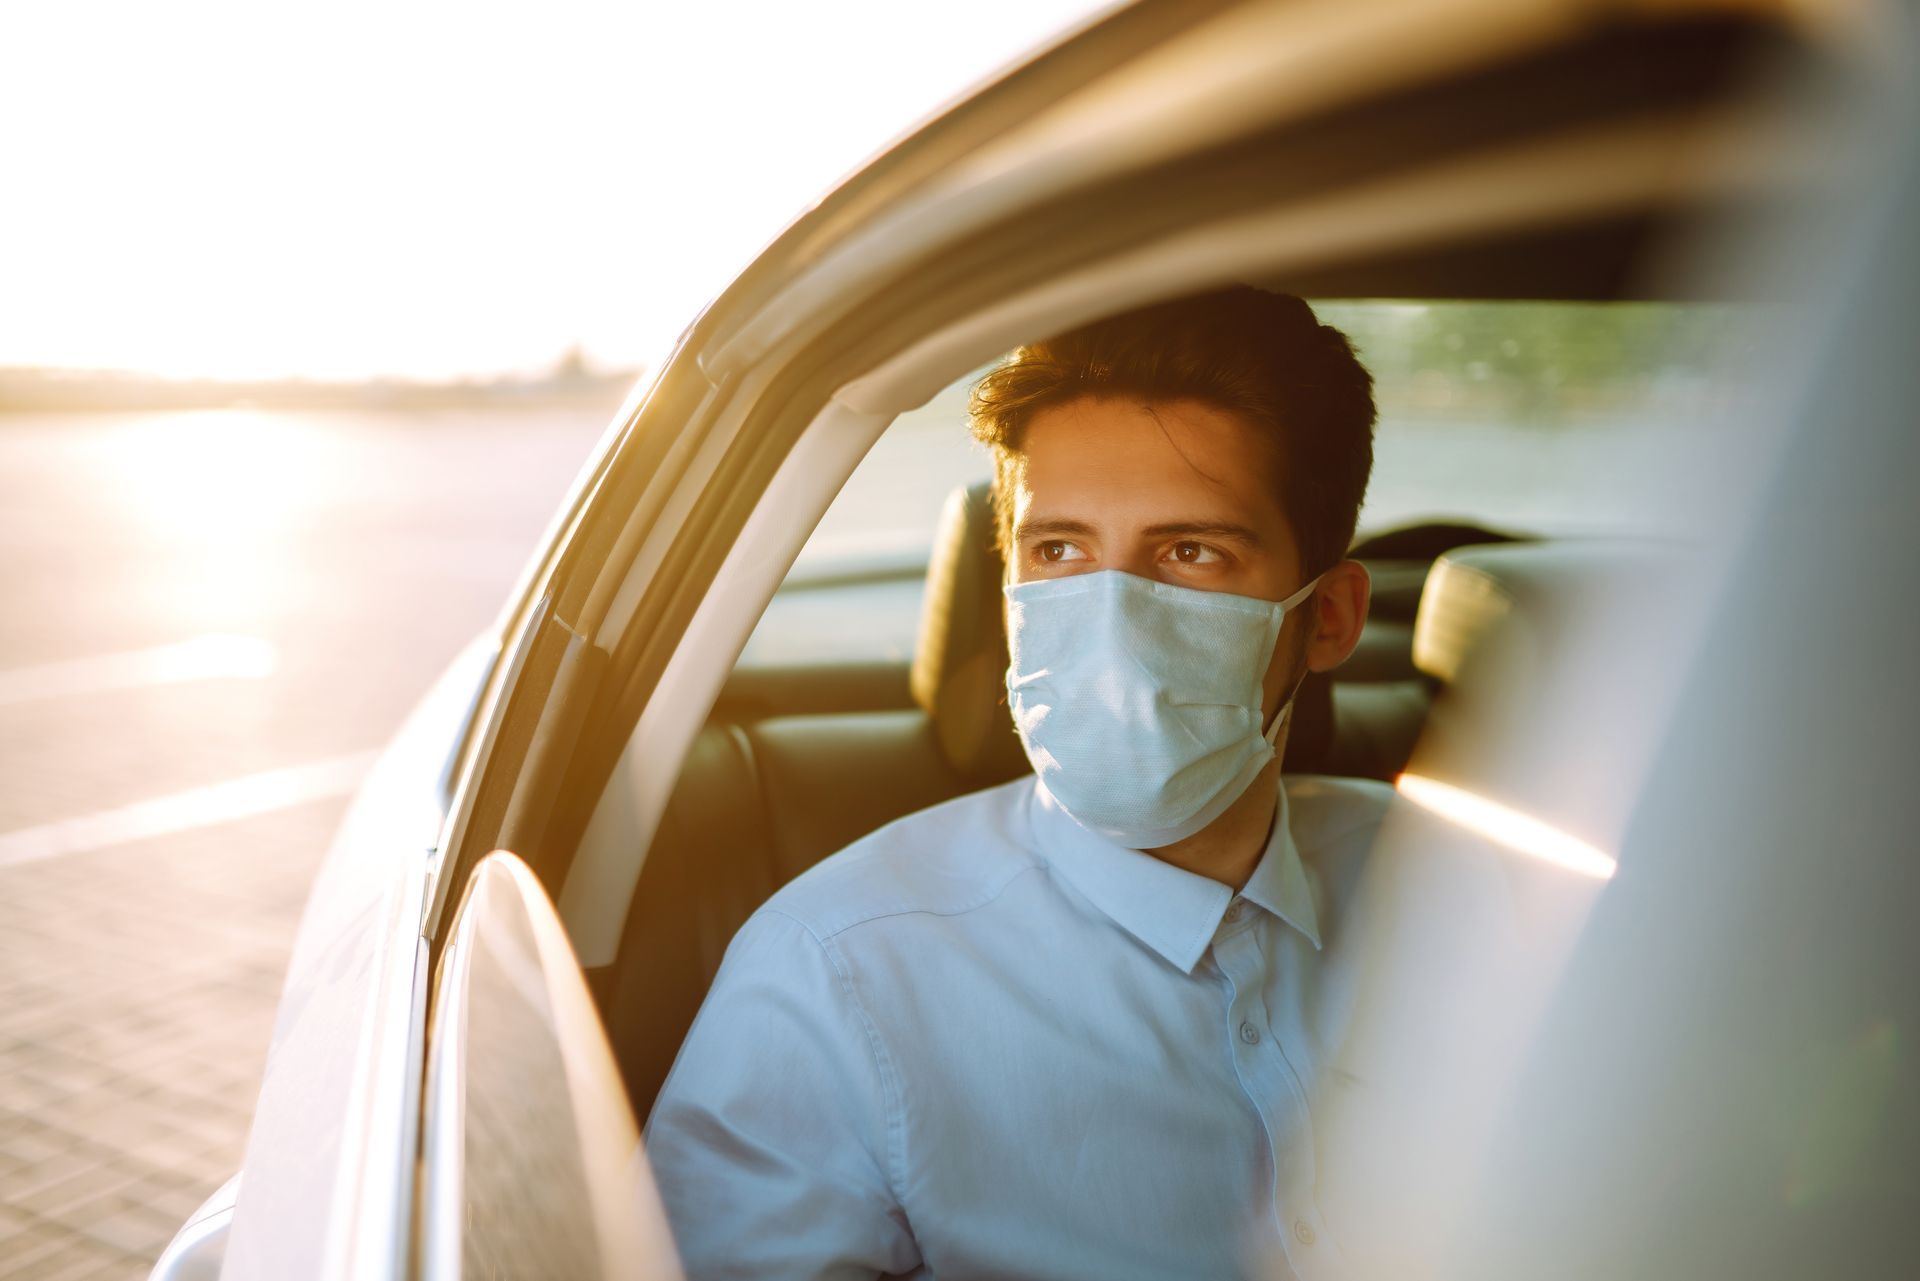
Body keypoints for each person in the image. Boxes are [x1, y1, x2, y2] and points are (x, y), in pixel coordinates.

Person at [645, 285, 1386, 1280]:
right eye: (1061, 550)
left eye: (1190, 551)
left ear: (1328, 618)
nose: (1112, 617)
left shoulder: (1477, 887)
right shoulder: (834, 974)